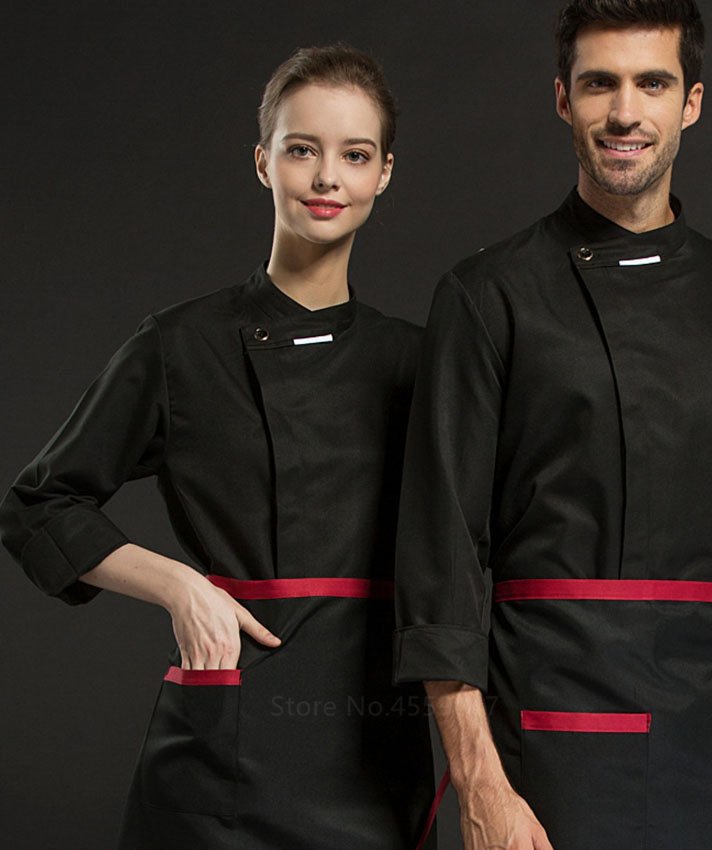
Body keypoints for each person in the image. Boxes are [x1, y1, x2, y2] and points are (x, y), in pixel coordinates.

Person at [392, 2, 712, 849]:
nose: (625, 112)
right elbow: (440, 562)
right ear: (563, 98)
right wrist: (480, 784)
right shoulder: (488, 298)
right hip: (548, 763)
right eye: (600, 84)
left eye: (652, 84)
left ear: (691, 102)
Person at [0, 44, 437, 849]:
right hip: (223, 745)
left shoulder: (423, 362)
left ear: (384, 174)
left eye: (354, 155)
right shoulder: (180, 347)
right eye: (301, 149)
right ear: (263, 161)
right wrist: (179, 586)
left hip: (374, 748)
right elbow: (36, 506)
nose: (327, 177)